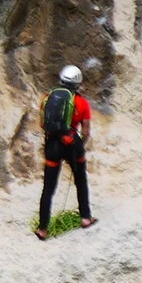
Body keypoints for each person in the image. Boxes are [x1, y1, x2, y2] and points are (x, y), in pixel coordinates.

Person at [36, 65, 96, 240]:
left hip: (53, 144)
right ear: (77, 83)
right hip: (72, 144)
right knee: (80, 181)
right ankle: (85, 217)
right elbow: (85, 131)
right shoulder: (82, 103)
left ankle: (42, 229)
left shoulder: (48, 98)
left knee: (48, 188)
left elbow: (42, 124)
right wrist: (80, 145)